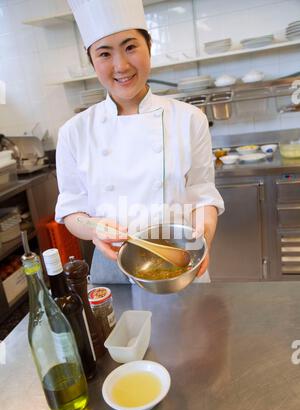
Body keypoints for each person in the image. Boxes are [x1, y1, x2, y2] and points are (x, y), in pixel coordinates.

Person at [55, 0, 224, 285]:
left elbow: (203, 195)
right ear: (92, 61)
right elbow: (72, 211)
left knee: (194, 329)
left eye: (130, 47)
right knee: (121, 329)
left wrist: (202, 237)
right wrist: (95, 228)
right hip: (113, 268)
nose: (121, 65)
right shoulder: (74, 132)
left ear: (149, 47)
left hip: (181, 261)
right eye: (104, 53)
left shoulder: (189, 118)